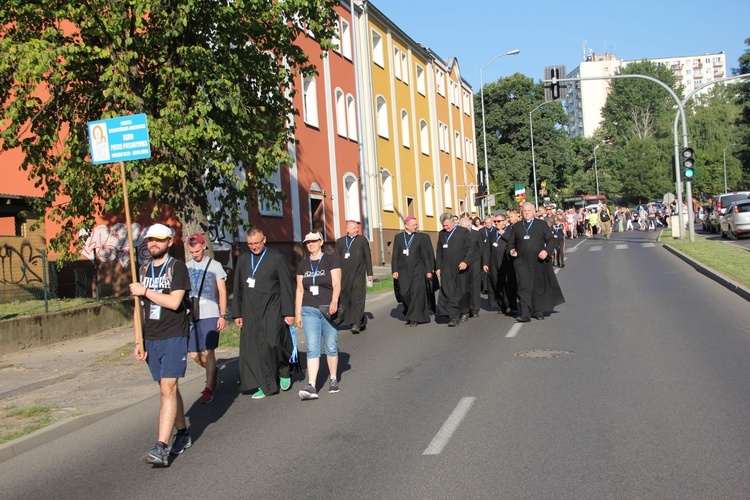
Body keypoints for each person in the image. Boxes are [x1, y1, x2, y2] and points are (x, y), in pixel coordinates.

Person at [129, 223, 192, 467]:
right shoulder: (143, 269)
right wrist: (138, 339)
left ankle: (161, 446)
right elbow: (138, 311)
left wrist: (145, 290)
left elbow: (175, 302)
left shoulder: (177, 268)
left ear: (169, 242)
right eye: (150, 240)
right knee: (168, 389)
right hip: (151, 338)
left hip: (174, 335)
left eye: (158, 239)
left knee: (168, 387)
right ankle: (183, 433)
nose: (153, 243)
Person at [232, 228, 295, 399]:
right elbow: (237, 288)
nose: (254, 247)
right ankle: (262, 383)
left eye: (257, 243)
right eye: (250, 244)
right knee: (254, 348)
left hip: (272, 307)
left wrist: (289, 312)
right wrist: (237, 313)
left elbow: (286, 287)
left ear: (264, 240)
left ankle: (283, 370)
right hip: (250, 310)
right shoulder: (244, 260)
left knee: (274, 341)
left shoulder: (277, 258)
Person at [296, 231, 342, 400]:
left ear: (321, 242)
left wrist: (334, 300)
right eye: (308, 242)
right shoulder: (303, 265)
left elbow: (337, 283)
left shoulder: (331, 260)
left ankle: (333, 379)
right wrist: (297, 313)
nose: (311, 244)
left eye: (314, 241)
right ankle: (312, 385)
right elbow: (300, 290)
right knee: (312, 348)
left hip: (328, 309)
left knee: (330, 345)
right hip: (309, 310)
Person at [186, 233, 228, 404]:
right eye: (191, 252)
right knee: (194, 353)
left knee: (209, 351)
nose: (194, 254)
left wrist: (222, 315)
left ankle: (208, 387)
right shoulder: (186, 266)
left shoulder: (215, 266)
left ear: (204, 246)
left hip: (210, 313)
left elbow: (223, 291)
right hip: (193, 314)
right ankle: (213, 371)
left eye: (196, 251)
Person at [507, 203, 565, 322]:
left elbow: (551, 240)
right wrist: (512, 250)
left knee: (538, 286)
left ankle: (539, 310)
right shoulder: (517, 226)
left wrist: (546, 251)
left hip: (538, 261)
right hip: (522, 261)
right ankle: (525, 313)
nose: (526, 212)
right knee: (524, 287)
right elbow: (511, 243)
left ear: (534, 212)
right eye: (524, 211)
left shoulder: (541, 224)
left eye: (529, 210)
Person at [391, 216, 436, 326]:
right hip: (403, 270)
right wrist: (395, 269)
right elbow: (395, 255)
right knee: (404, 293)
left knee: (416, 293)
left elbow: (426, 255)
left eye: (416, 224)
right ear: (406, 226)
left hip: (418, 269)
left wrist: (429, 270)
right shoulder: (399, 237)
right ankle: (411, 312)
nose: (416, 226)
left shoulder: (421, 237)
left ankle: (414, 318)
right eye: (413, 225)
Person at [436, 212, 475, 327]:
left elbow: (471, 249)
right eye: (443, 226)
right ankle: (453, 316)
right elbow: (439, 252)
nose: (445, 228)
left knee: (462, 291)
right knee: (449, 292)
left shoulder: (463, 232)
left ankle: (465, 311)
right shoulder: (442, 234)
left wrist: (465, 262)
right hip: (447, 268)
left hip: (461, 267)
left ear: (453, 223)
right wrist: (438, 267)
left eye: (447, 225)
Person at [335, 219, 373, 334]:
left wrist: (370, 273)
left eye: (357, 228)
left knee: (358, 298)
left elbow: (367, 257)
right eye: (354, 228)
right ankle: (356, 320)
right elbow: (336, 259)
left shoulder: (362, 240)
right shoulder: (340, 242)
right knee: (346, 298)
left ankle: (356, 323)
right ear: (347, 229)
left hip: (359, 275)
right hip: (344, 276)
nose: (357, 229)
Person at [483, 213, 515, 315]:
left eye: (499, 221)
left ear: (505, 222)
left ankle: (509, 305)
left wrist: (504, 234)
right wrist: (485, 263)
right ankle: (502, 304)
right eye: (495, 221)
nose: (496, 223)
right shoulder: (492, 233)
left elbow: (512, 242)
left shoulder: (510, 231)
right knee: (496, 283)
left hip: (506, 262)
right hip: (493, 262)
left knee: (506, 284)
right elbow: (487, 249)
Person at [460, 216, 484, 318]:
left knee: (474, 286)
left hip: (475, 263)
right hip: (463, 262)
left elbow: (481, 248)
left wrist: (483, 263)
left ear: (469, 226)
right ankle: (465, 307)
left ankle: (474, 309)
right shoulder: (459, 235)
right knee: (464, 286)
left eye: (464, 227)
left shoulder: (476, 234)